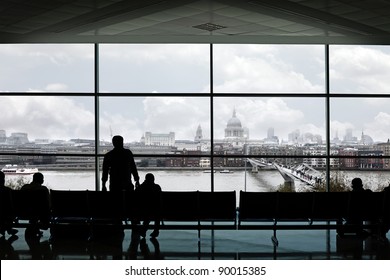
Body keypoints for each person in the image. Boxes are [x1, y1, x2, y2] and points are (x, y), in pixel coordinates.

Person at [136, 173, 161, 238]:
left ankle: (144, 229)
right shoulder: (157, 187)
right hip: (155, 210)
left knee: (147, 211)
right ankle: (156, 230)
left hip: (143, 210)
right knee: (155, 210)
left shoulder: (141, 187)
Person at [0, 171, 18, 236]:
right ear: (3, 180)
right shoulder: (7, 190)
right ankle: (8, 228)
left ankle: (5, 228)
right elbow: (11, 205)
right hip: (6, 215)